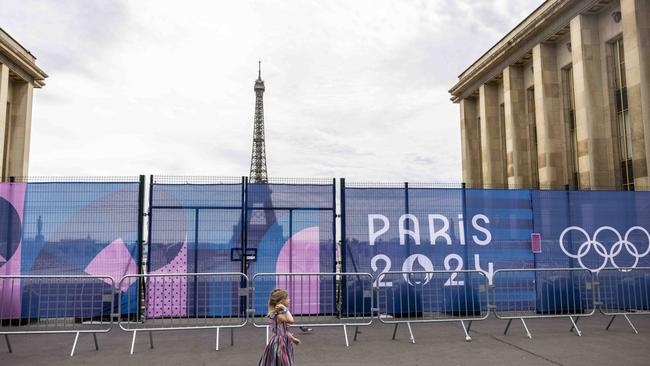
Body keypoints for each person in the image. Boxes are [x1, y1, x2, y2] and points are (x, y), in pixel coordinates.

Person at [259, 288, 301, 366]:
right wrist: (285, 309)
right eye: (287, 298)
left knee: (283, 361)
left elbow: (284, 331)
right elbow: (291, 320)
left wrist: (293, 339)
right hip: (279, 343)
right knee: (283, 362)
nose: (289, 300)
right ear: (281, 302)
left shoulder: (281, 313)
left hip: (284, 341)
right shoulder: (278, 315)